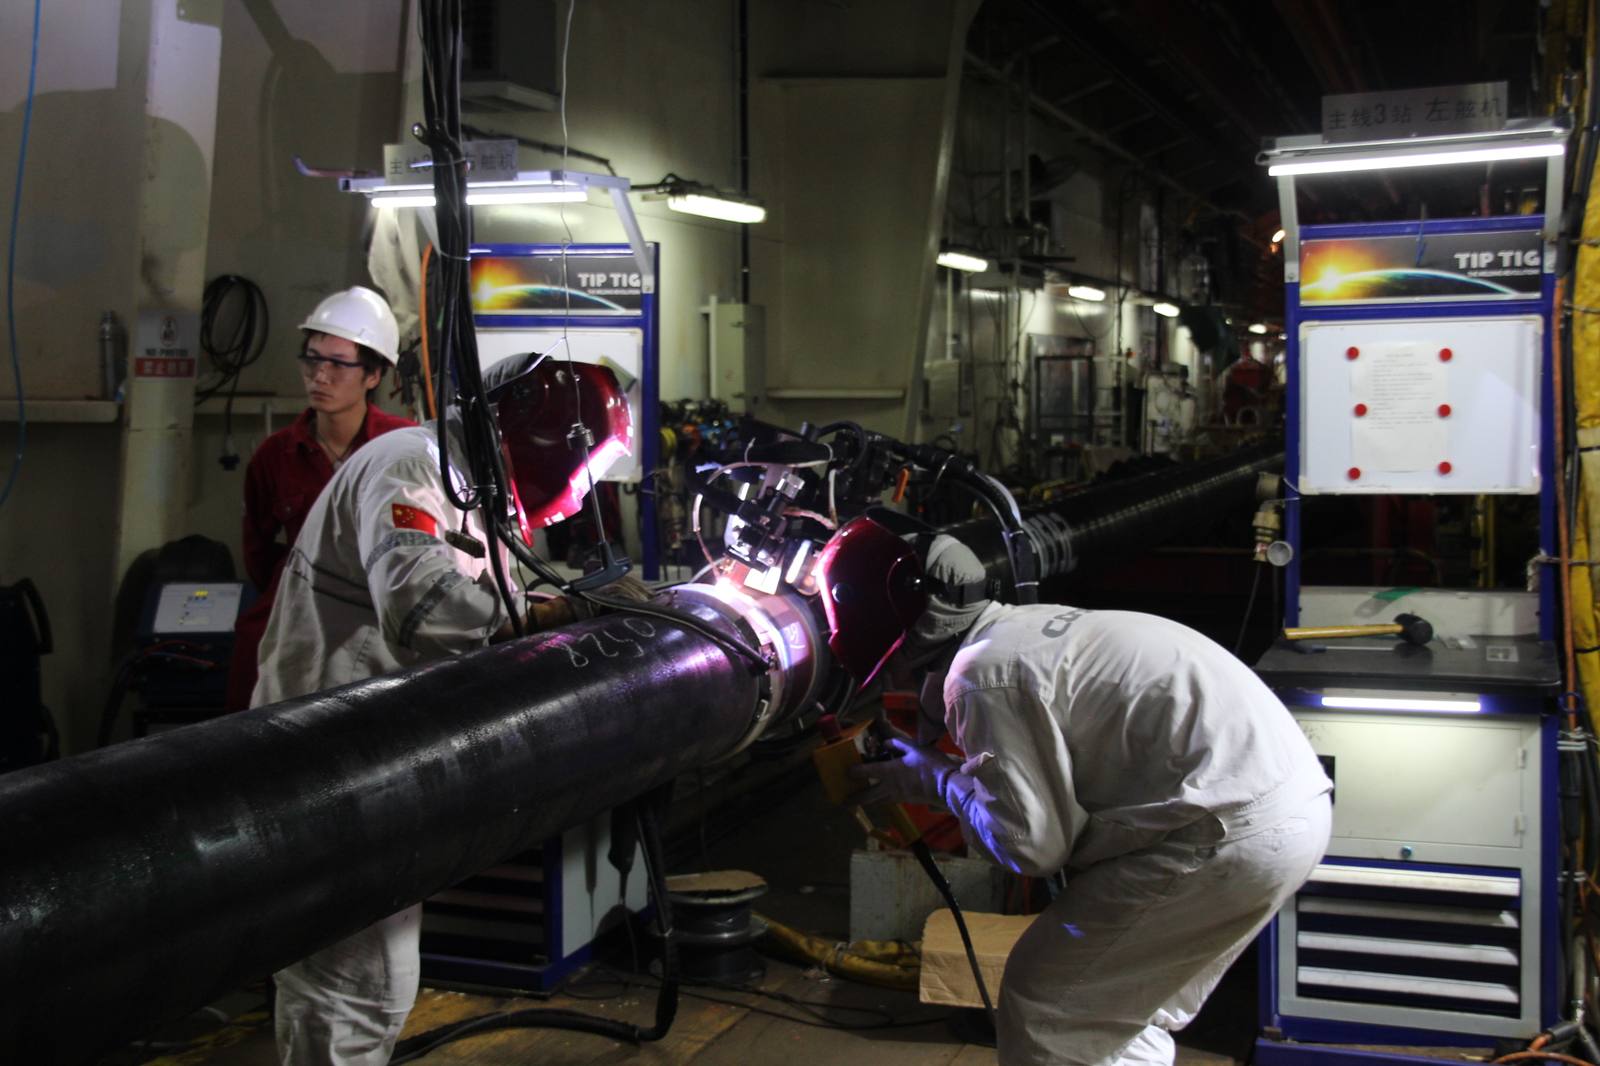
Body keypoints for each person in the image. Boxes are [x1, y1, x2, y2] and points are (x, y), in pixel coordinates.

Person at [252, 351, 645, 1065]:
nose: (580, 495)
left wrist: (563, 609)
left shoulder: (475, 489)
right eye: (583, 472)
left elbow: (494, 605)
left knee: (376, 982)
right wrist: (559, 613)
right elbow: (423, 607)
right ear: (544, 440)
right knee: (351, 989)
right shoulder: (411, 467)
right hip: (325, 762)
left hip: (379, 758)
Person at [825, 519, 1332, 1066]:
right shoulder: (1022, 629)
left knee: (1050, 1007)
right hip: (1286, 812)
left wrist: (933, 779)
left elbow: (1030, 846)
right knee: (1110, 1010)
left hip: (1224, 834)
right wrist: (935, 767)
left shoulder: (983, 674)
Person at [224, 286, 414, 711]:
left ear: (373, 375)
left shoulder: (402, 447)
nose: (320, 376)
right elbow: (259, 554)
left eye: (338, 364)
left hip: (378, 609)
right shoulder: (275, 455)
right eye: (312, 360)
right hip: (298, 609)